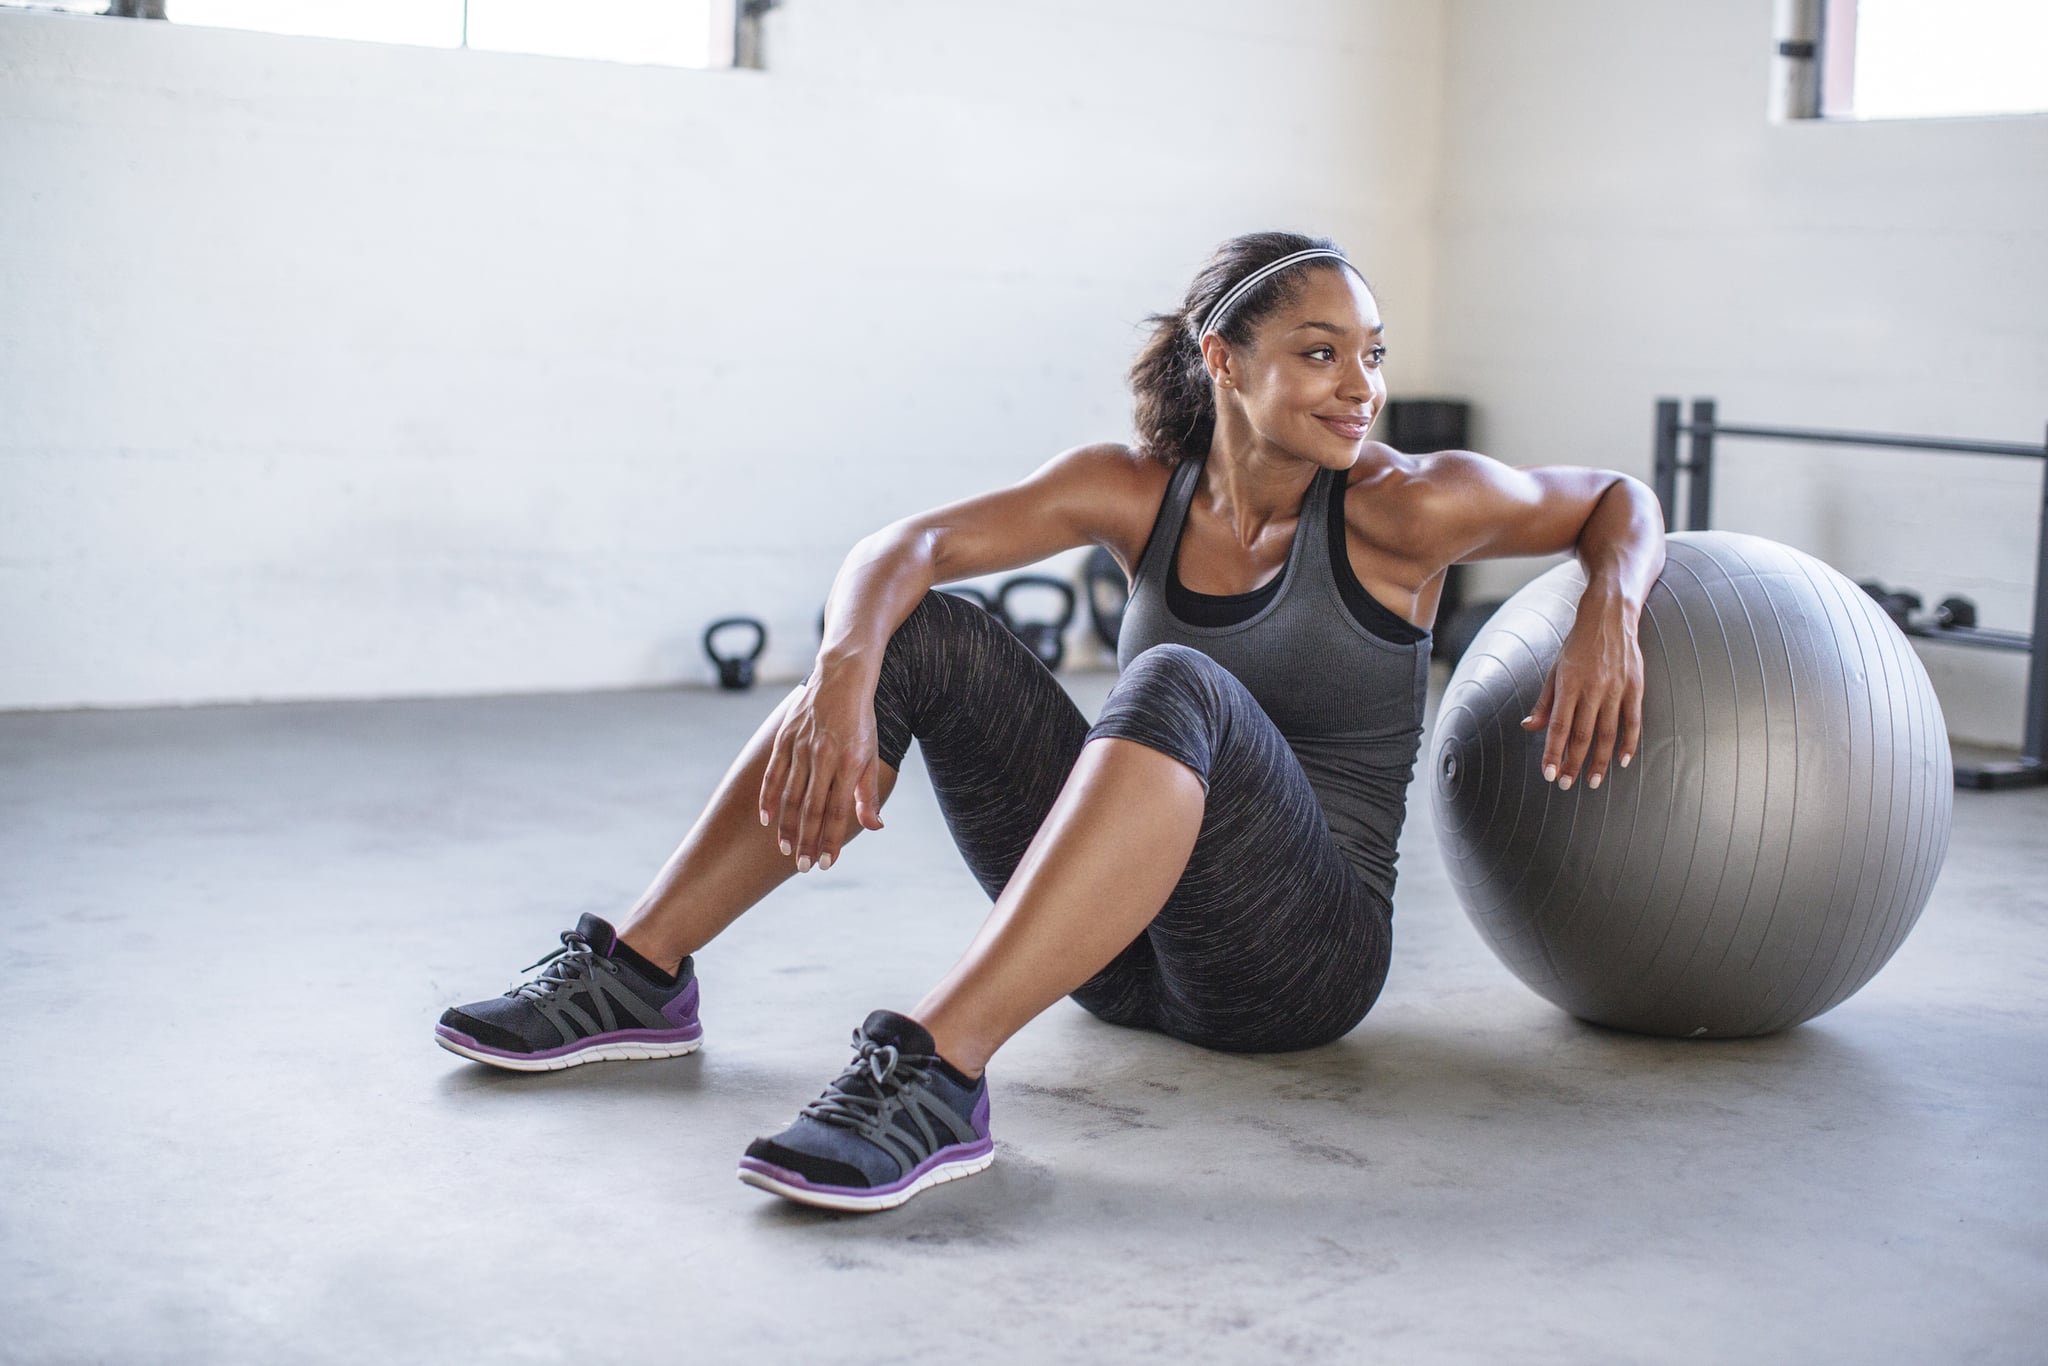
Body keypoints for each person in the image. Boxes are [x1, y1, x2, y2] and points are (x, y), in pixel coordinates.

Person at [434, 231, 1665, 1213]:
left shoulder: (1409, 507)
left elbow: (1617, 497)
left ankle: (935, 1073)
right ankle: (641, 972)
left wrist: (1608, 604)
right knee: (923, 629)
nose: (1361, 388)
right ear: (1221, 358)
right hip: (1117, 965)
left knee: (1174, 683)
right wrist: (845, 675)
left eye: (1370, 353)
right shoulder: (1133, 490)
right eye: (1318, 352)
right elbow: (905, 544)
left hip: (1295, 966)